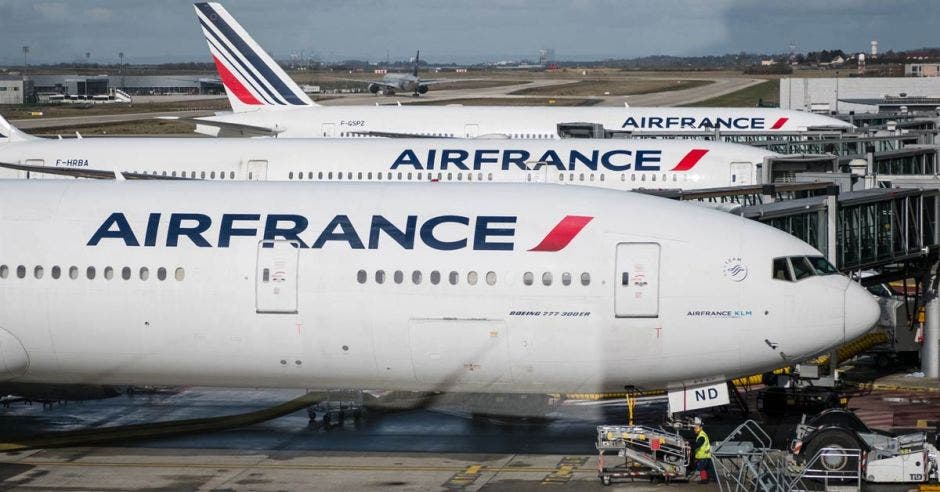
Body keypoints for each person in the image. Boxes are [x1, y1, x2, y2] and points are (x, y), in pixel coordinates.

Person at [692, 417, 712, 484]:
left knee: (701, 468)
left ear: (699, 428)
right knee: (706, 468)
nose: (694, 429)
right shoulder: (702, 434)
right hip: (705, 455)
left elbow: (698, 444)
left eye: (695, 428)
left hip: (703, 456)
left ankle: (704, 480)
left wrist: (691, 446)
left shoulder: (701, 436)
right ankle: (708, 479)